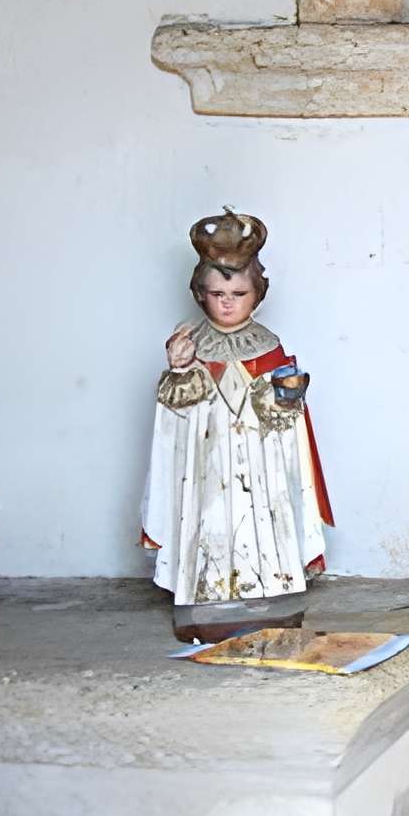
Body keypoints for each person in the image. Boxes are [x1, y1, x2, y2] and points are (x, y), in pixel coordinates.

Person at [142, 209, 334, 641]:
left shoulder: (267, 346)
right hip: (207, 466)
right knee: (207, 523)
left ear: (257, 294)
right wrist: (180, 371)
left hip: (259, 469)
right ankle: (204, 607)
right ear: (200, 294)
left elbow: (286, 424)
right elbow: (175, 415)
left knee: (261, 525)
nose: (227, 301)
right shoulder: (190, 343)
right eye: (216, 293)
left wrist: (286, 393)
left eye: (239, 292)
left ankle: (270, 601)